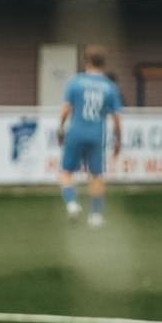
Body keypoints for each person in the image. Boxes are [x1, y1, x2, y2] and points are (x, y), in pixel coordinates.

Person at [57, 48, 123, 228]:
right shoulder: (110, 86)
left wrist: (60, 128)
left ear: (86, 61)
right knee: (96, 176)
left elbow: (66, 109)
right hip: (96, 135)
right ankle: (95, 216)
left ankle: (72, 203)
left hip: (76, 131)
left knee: (66, 172)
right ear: (103, 63)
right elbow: (116, 117)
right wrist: (118, 139)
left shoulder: (75, 82)